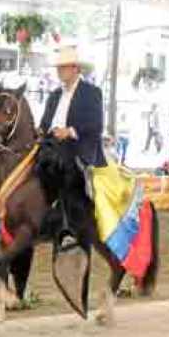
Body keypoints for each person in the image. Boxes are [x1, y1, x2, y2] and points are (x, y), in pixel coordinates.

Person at [38, 46, 106, 247]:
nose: (59, 71)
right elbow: (45, 124)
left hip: (78, 146)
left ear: (76, 69)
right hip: (52, 143)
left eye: (64, 67)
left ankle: (67, 226)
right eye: (59, 68)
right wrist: (39, 131)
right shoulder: (53, 95)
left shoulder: (92, 93)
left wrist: (69, 131)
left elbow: (96, 125)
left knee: (63, 165)